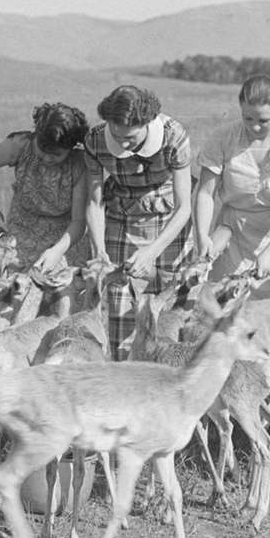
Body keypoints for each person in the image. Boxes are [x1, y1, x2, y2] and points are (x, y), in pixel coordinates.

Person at [82, 84, 194, 360]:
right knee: (121, 312)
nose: (123, 144)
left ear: (147, 123)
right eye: (117, 137)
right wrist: (99, 251)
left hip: (170, 226)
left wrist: (152, 252)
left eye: (130, 138)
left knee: (172, 311)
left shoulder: (173, 136)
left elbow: (184, 207)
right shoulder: (95, 140)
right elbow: (94, 203)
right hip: (123, 220)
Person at [193, 74, 270, 299]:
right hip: (232, 238)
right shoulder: (223, 138)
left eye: (263, 120)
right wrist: (202, 235)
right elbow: (205, 194)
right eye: (247, 118)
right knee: (226, 315)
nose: (255, 126)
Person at [0, 102, 91, 273]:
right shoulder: (20, 145)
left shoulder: (80, 164)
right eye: (43, 150)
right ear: (36, 136)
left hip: (65, 243)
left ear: (71, 148)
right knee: (8, 291)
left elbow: (79, 222)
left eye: (57, 155)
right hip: (21, 236)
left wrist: (57, 251)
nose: (48, 158)